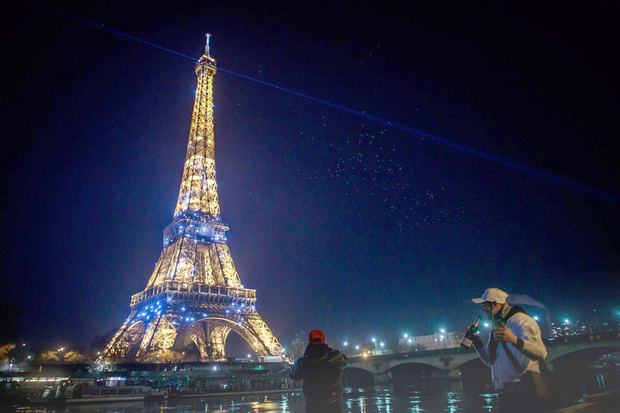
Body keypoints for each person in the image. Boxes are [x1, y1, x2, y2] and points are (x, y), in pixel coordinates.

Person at [470, 288, 549, 412]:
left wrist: (515, 340)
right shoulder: (496, 325)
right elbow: (491, 361)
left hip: (524, 392)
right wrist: (477, 343)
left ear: (494, 304)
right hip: (505, 394)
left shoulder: (522, 321)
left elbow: (541, 352)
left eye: (484, 305)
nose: (483, 310)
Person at [289, 329, 346, 413]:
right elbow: (345, 362)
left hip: (313, 403)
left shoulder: (304, 361)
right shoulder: (335, 357)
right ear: (323, 339)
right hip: (333, 402)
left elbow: (294, 375)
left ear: (310, 341)